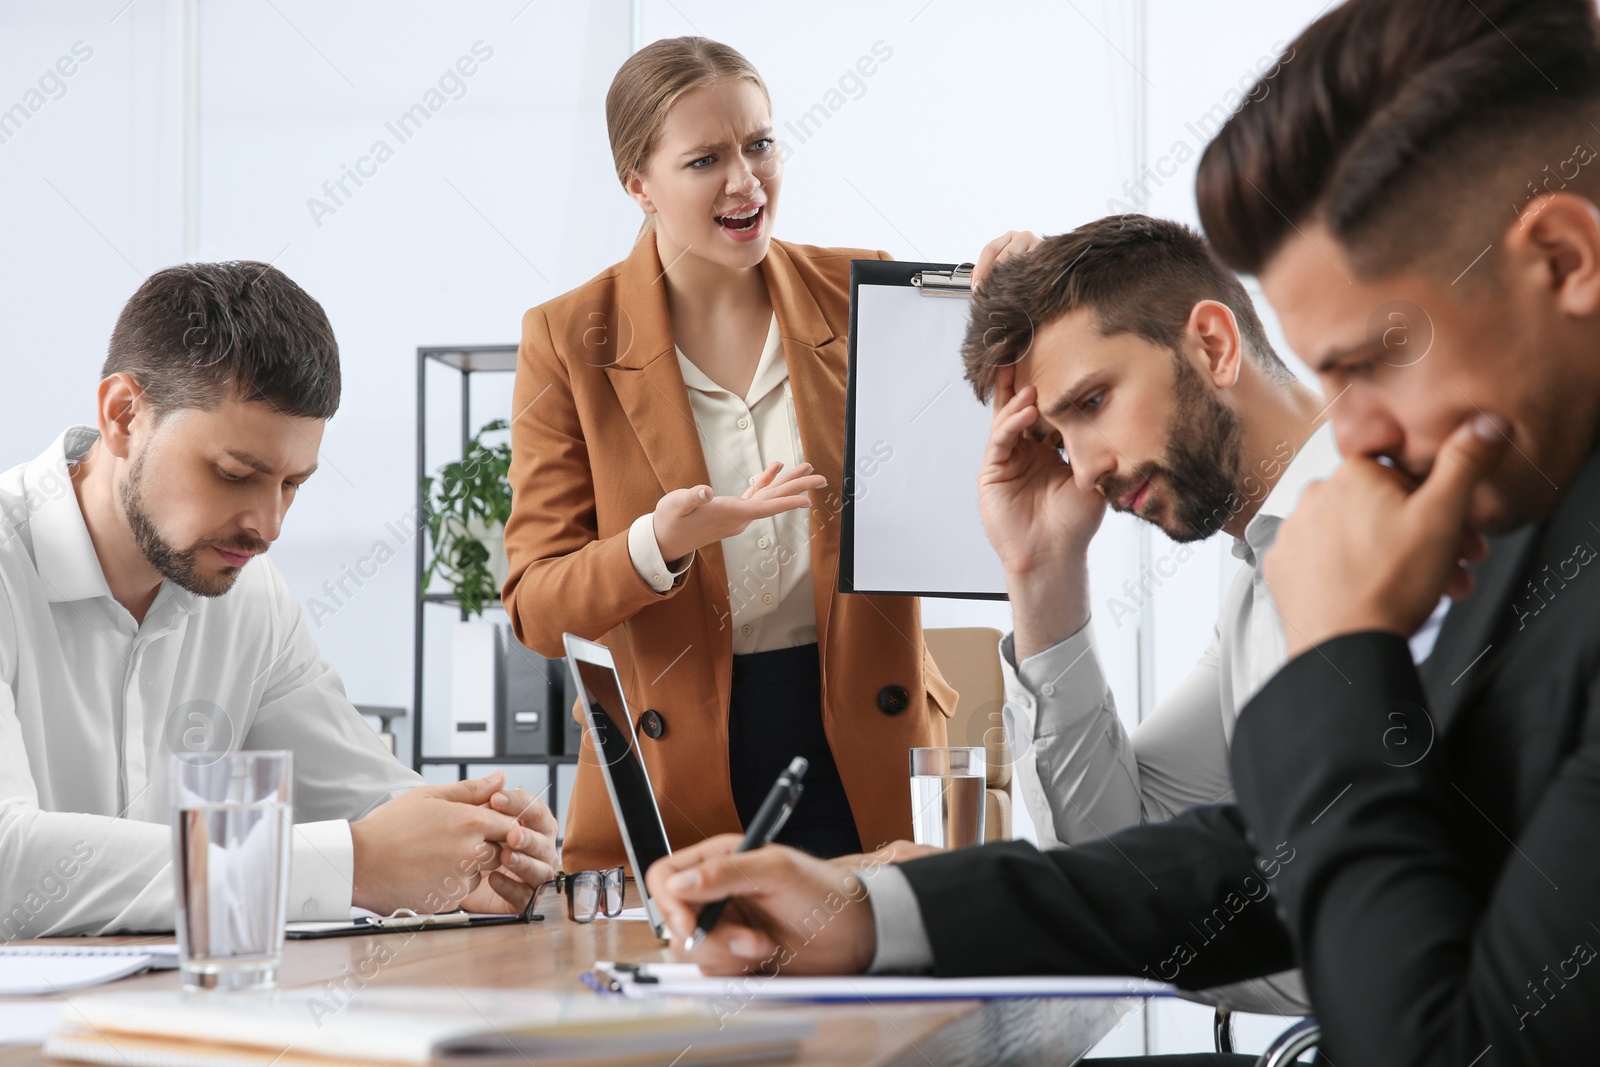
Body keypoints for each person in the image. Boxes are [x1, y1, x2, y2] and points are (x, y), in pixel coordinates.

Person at [645, 0, 1600, 1062]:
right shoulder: (1516, 519)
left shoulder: (1422, 537)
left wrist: (1338, 654)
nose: (1355, 429)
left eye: (1373, 360)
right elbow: (1256, 859)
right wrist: (874, 913)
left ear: (1562, 261)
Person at [505, 37, 1030, 867]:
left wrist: (1021, 315)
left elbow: (974, 471)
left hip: (861, 736)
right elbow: (535, 606)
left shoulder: (870, 291)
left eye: (759, 145)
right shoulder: (569, 339)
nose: (746, 181)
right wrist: (659, 544)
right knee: (687, 991)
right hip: (671, 760)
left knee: (885, 987)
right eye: (706, 158)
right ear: (637, 184)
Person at [0, 262, 557, 939]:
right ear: (124, 415)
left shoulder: (246, 590)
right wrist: (349, 867)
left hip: (169, 1020)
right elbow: (9, 862)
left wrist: (481, 841)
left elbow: (368, 792)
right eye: (235, 474)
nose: (268, 525)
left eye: (293, 484)